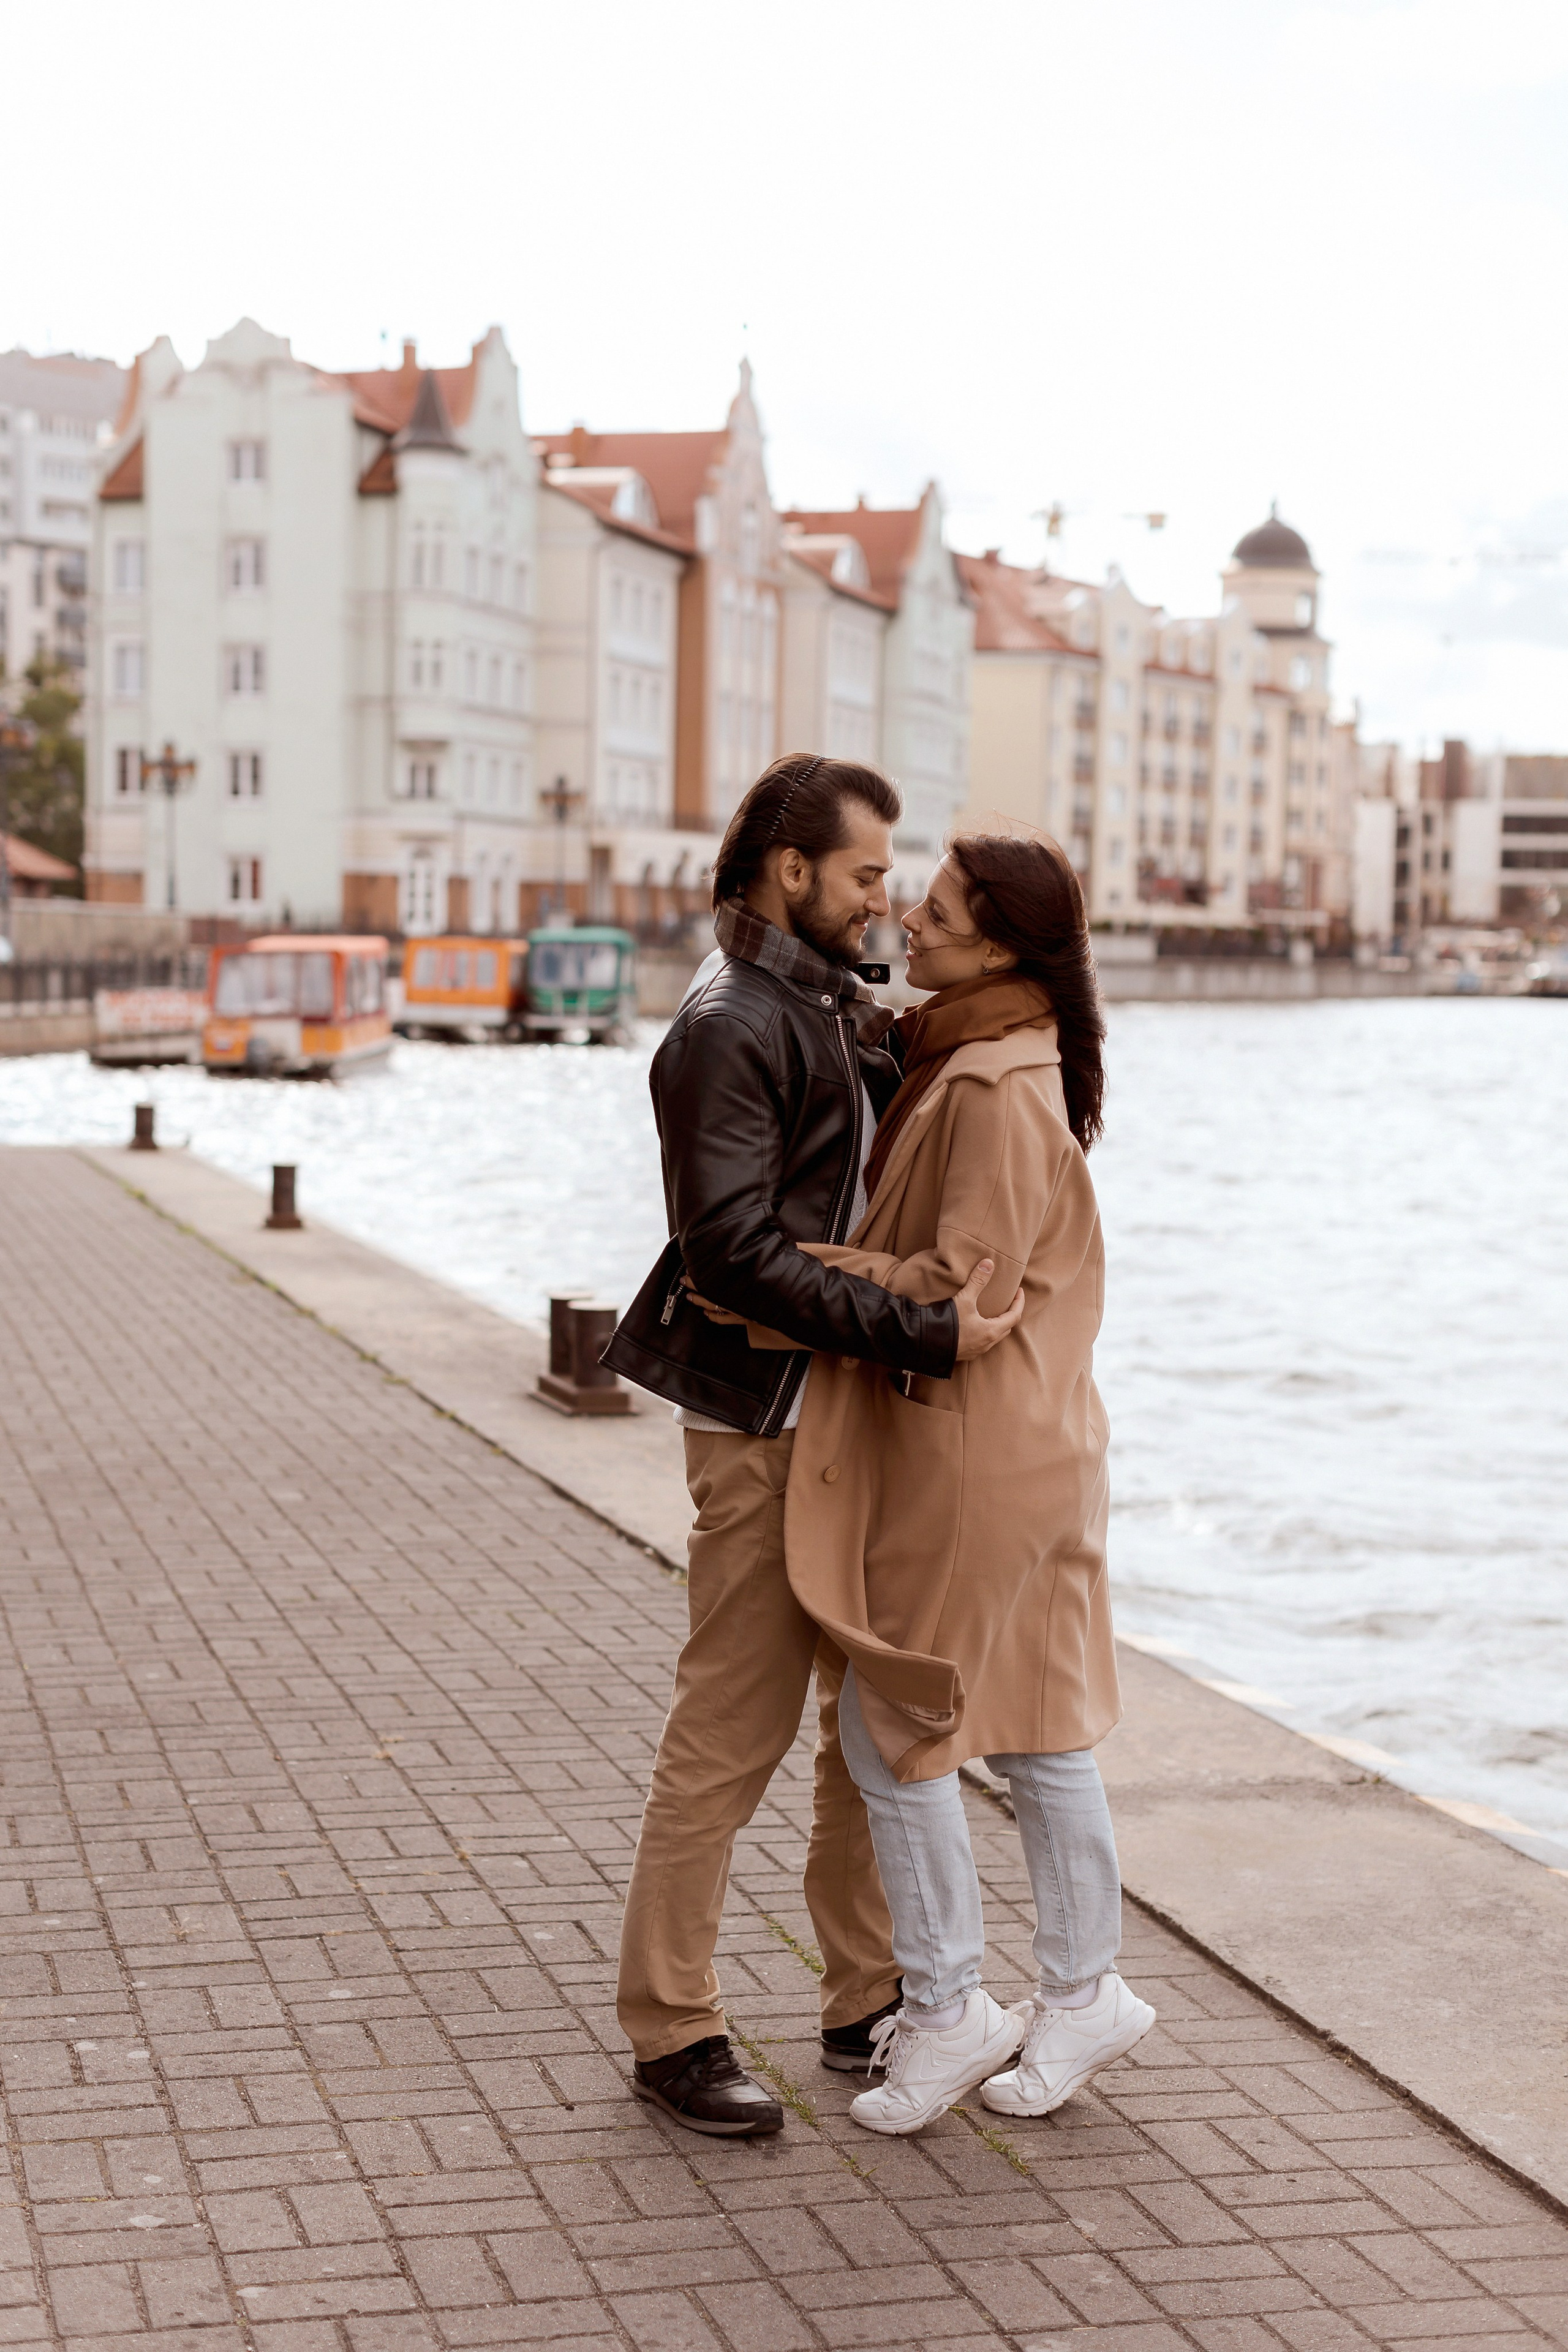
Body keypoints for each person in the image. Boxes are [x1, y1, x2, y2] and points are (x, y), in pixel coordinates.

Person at [602, 755, 1023, 2138]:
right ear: (789, 873)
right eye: (861, 877)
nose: (881, 901)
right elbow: (729, 1247)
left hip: (834, 1415)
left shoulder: (820, 1001)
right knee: (731, 1733)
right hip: (763, 1423)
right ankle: (672, 2029)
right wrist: (920, 1335)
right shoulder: (730, 1021)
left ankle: (862, 2003)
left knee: (865, 1726)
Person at [753, 831, 1156, 2136]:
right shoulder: (1001, 1058)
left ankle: (942, 2011)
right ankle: (1080, 1991)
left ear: (996, 946)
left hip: (978, 1444)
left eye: (932, 913)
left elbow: (960, 1291)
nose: (906, 926)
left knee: (893, 1723)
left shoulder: (986, 1085)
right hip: (1037, 1438)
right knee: (1036, 1728)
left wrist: (782, 1268)